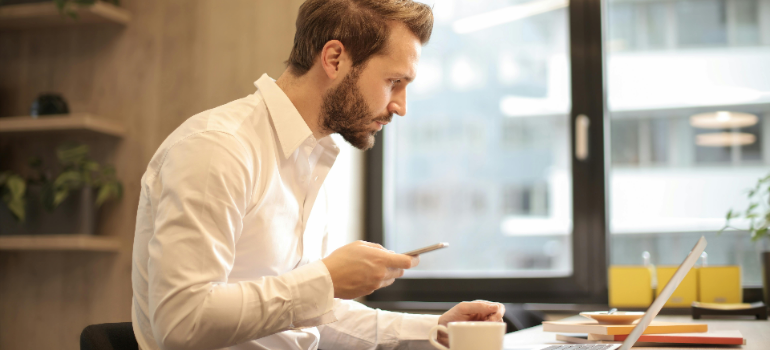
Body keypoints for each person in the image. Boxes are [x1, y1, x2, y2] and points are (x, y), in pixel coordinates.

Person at [131, 1, 505, 349]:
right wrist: (326, 279)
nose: (400, 107)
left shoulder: (311, 159)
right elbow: (180, 321)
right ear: (334, 58)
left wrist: (433, 330)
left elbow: (304, 315)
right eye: (394, 82)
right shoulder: (218, 149)